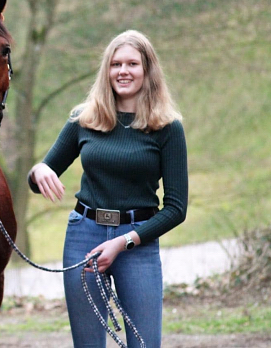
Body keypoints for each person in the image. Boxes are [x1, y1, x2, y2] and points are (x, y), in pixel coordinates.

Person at [28, 30, 188, 347]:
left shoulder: (168, 127)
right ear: (107, 70)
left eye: (132, 63)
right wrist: (38, 169)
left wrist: (123, 242)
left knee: (144, 343)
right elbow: (42, 175)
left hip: (138, 242)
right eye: (116, 64)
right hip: (83, 237)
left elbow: (176, 208)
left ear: (147, 70)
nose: (123, 71)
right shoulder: (84, 118)